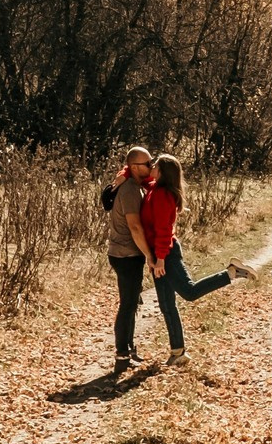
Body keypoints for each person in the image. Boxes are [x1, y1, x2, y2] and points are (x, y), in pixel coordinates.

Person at [136, 153, 256, 365]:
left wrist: (161, 258)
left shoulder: (162, 194)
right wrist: (124, 173)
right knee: (166, 303)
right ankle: (178, 352)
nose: (150, 167)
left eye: (155, 165)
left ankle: (230, 273)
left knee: (189, 292)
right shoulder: (156, 188)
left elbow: (164, 230)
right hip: (159, 253)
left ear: (162, 171)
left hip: (166, 252)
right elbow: (140, 176)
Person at [102, 147, 157, 370]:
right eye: (148, 163)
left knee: (132, 303)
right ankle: (122, 356)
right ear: (134, 167)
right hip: (126, 255)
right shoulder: (131, 191)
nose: (151, 166)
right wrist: (150, 256)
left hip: (126, 253)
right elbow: (135, 227)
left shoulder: (135, 186)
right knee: (127, 304)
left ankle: (129, 349)